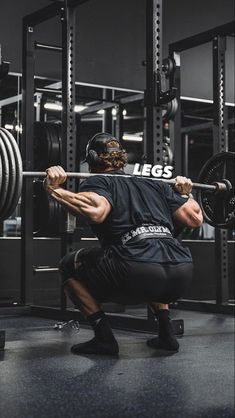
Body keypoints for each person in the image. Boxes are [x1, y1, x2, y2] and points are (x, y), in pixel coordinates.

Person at [43, 132, 203, 356]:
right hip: (181, 273)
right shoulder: (155, 183)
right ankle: (167, 335)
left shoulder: (98, 180)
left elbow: (97, 211)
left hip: (136, 271)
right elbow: (195, 219)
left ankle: (104, 339)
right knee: (152, 255)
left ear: (91, 159)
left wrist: (55, 190)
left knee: (68, 266)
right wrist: (188, 194)